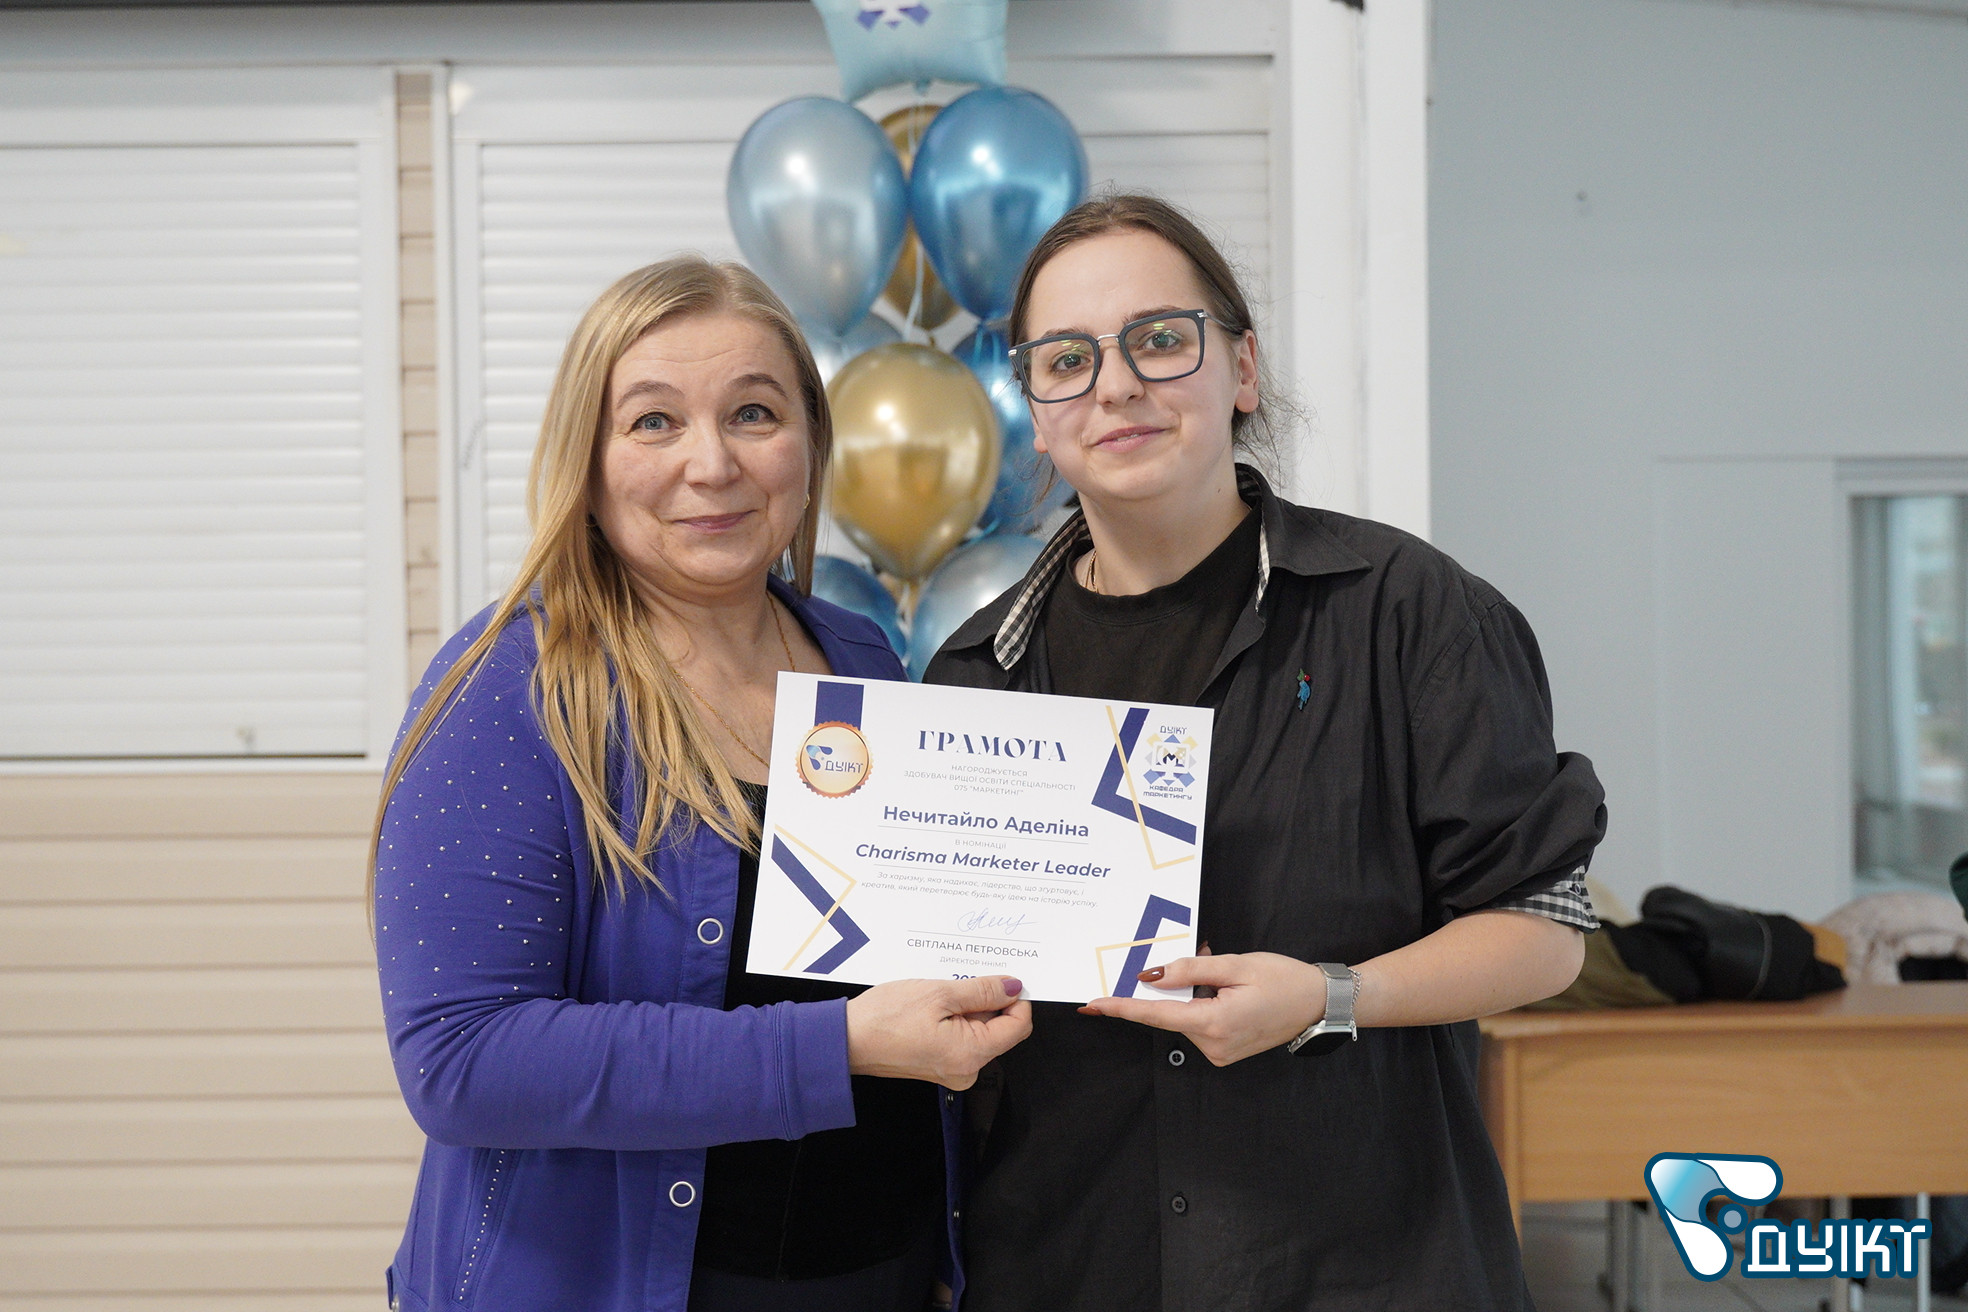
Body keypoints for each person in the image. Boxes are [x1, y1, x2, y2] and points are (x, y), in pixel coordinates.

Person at [923, 195, 1608, 1310]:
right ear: (1036, 414)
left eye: (1160, 339)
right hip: (1068, 1263)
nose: (1115, 385)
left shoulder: (1409, 611)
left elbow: (1545, 930)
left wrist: (1331, 996)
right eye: (1067, 360)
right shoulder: (973, 676)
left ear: (1242, 369)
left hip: (1361, 1265)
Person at [371, 256, 1030, 1312]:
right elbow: (462, 1060)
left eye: (754, 413)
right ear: (587, 462)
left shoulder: (859, 659)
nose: (712, 464)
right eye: (654, 422)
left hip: (880, 1276)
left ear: (809, 445)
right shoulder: (508, 688)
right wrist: (839, 1047)